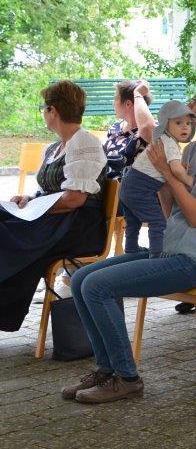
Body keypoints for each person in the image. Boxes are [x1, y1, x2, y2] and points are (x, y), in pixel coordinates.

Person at [61, 81, 196, 404]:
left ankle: (126, 378)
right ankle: (106, 370)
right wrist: (157, 176)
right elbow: (172, 209)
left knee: (97, 286)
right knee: (80, 279)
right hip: (172, 250)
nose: (190, 106)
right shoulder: (192, 150)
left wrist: (167, 173)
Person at [0, 81, 108, 332]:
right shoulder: (54, 148)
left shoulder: (85, 143)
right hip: (54, 219)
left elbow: (74, 199)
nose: (44, 113)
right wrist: (28, 199)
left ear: (53, 110)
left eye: (44, 108)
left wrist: (36, 207)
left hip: (76, 226)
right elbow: (49, 191)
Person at [118, 100, 196, 256]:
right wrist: (190, 180)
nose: (185, 127)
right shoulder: (170, 143)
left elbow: (170, 166)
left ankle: (131, 250)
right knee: (157, 221)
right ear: (166, 125)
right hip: (140, 187)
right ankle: (157, 254)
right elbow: (176, 170)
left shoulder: (161, 140)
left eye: (188, 123)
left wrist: (179, 167)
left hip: (127, 183)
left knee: (133, 222)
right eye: (178, 123)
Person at [103, 80, 156, 180]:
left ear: (128, 104)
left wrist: (138, 93)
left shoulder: (148, 129)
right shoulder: (115, 127)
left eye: (116, 99)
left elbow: (148, 129)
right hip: (106, 185)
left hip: (133, 187)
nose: (113, 103)